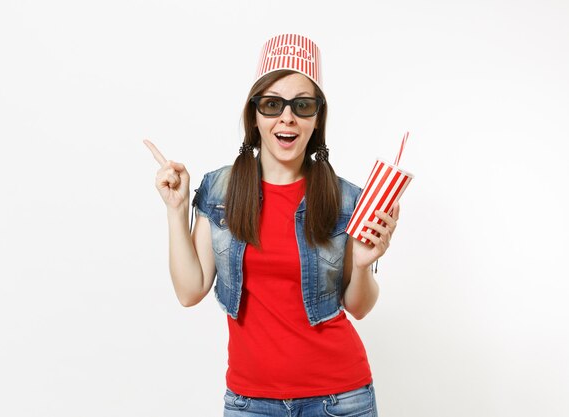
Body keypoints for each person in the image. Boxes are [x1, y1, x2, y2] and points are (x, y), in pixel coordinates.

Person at [144, 34, 400, 417]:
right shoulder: (219, 191)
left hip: (340, 399)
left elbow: (358, 307)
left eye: (302, 105)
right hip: (250, 402)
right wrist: (176, 210)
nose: (287, 117)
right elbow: (189, 290)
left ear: (317, 119)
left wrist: (362, 265)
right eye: (272, 104)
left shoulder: (346, 199)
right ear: (254, 116)